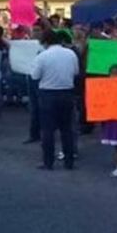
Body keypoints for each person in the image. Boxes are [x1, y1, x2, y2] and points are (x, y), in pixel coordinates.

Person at [32, 29, 79, 169]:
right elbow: (76, 72)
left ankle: (48, 161)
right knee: (67, 129)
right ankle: (69, 161)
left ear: (45, 42)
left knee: (48, 130)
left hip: (48, 93)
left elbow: (35, 76)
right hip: (67, 92)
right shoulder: (70, 54)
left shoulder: (42, 56)